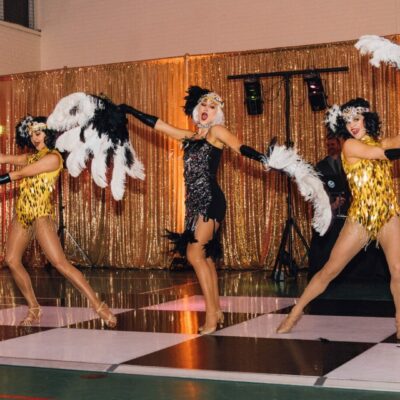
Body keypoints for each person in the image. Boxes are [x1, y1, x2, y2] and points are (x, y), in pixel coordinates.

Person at [127, 86, 269, 334]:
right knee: (205, 258)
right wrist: (128, 110)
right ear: (196, 108)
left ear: (217, 114)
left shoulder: (217, 131)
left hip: (211, 201)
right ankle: (217, 311)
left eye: (212, 107)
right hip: (194, 204)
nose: (206, 110)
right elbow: (159, 125)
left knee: (194, 255)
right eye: (203, 105)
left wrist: (267, 159)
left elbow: (240, 147)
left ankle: (212, 315)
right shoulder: (190, 137)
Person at [277, 98, 400, 338]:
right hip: (361, 217)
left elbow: (391, 142)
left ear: (367, 118)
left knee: (398, 269)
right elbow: (383, 153)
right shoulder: (350, 147)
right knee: (330, 270)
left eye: (356, 118)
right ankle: (295, 312)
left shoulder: (381, 141)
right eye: (348, 121)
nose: (352, 125)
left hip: (388, 213)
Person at [0, 116, 117, 327]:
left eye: (39, 133)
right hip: (22, 214)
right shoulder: (32, 157)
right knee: (11, 260)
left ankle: (99, 305)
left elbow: (20, 174)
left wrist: (4, 177)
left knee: (60, 263)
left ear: (48, 133)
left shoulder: (54, 158)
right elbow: (5, 158)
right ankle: (34, 308)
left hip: (41, 216)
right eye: (32, 134)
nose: (35, 138)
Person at [308, 137, 351, 279]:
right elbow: (317, 191)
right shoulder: (320, 166)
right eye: (328, 145)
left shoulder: (348, 163)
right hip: (329, 211)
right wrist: (331, 204)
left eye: (333, 144)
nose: (331, 146)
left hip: (348, 211)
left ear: (339, 144)